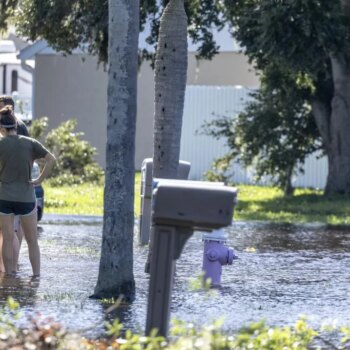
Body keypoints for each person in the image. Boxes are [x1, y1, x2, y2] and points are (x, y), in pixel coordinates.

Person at [0, 105, 56, 277]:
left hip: (4, 198)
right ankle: (36, 276)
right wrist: (39, 179)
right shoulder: (30, 143)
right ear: (16, 125)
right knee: (32, 241)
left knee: (8, 238)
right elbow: (51, 159)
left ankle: (10, 275)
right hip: (26, 198)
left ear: (2, 128)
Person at [0, 95, 30, 272]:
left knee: (12, 232)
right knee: (7, 232)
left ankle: (12, 269)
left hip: (15, 188)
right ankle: (8, 269)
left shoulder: (18, 129)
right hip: (11, 187)